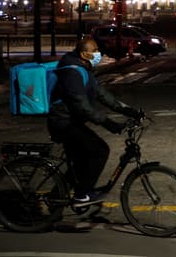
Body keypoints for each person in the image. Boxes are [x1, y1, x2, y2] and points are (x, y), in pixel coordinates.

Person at [48, 37, 143, 207]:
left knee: (82, 161)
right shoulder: (72, 72)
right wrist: (108, 123)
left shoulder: (84, 70)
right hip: (62, 123)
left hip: (72, 121)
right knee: (99, 151)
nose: (98, 53)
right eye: (95, 50)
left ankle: (56, 197)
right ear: (84, 54)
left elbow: (104, 96)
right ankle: (82, 195)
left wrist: (129, 111)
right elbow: (82, 106)